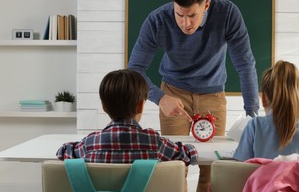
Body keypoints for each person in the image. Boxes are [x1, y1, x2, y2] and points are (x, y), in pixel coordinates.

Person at [127, 0, 259, 192]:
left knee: (211, 172)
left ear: (206, 5)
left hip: (213, 95)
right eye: (179, 15)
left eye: (192, 15)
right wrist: (159, 98)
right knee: (176, 169)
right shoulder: (157, 20)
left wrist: (252, 114)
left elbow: (245, 63)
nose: (185, 23)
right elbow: (134, 69)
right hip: (172, 93)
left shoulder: (228, 13)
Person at [56, 69, 198, 166]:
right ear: (140, 106)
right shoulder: (155, 143)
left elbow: (63, 151)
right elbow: (189, 154)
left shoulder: (90, 143)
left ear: (104, 107)